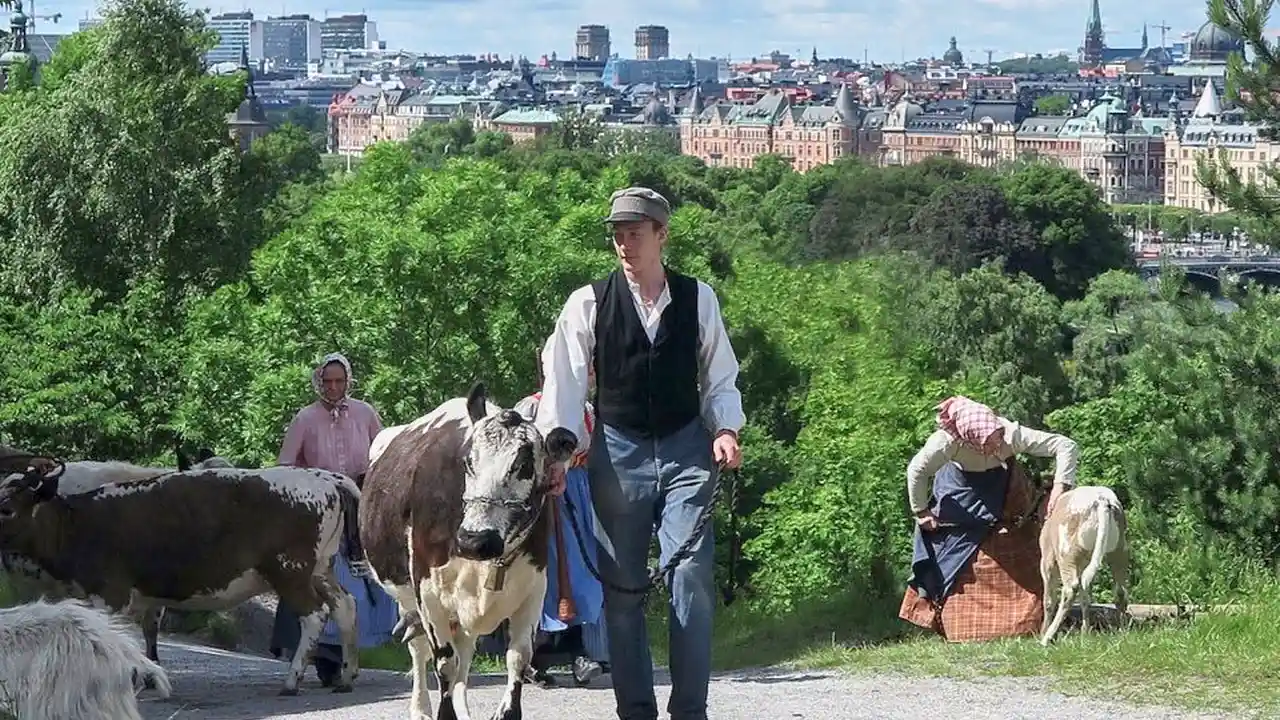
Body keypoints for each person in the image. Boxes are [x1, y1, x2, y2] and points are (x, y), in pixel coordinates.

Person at [535, 186, 745, 720]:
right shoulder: (588, 302)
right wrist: (558, 455)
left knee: (691, 576)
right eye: (618, 234)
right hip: (617, 449)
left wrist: (725, 430)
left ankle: (690, 710)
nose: (625, 244)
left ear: (661, 235)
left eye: (635, 233)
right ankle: (635, 711)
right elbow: (565, 383)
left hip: (686, 449)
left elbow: (719, 375)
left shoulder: (699, 298)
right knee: (623, 589)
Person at [899, 395, 1080, 643]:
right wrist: (921, 511)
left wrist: (1060, 487)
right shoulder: (946, 442)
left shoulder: (1011, 434)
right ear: (969, 438)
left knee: (1026, 559)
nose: (997, 444)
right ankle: (957, 627)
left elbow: (1065, 446)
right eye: (989, 442)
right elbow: (916, 470)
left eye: (997, 437)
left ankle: (1028, 625)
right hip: (958, 502)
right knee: (949, 561)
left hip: (1006, 504)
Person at [268, 352, 399, 685]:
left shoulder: (364, 413)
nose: (333, 387)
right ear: (319, 382)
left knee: (362, 571)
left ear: (348, 382)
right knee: (321, 573)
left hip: (357, 499)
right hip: (318, 505)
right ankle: (325, 654)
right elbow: (285, 467)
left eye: (339, 381)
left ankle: (354, 644)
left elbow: (383, 454)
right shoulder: (305, 419)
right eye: (328, 381)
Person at [515, 352, 610, 687]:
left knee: (588, 568)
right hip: (544, 497)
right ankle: (549, 652)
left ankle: (588, 651)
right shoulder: (530, 408)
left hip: (583, 494)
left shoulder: (586, 411)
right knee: (552, 570)